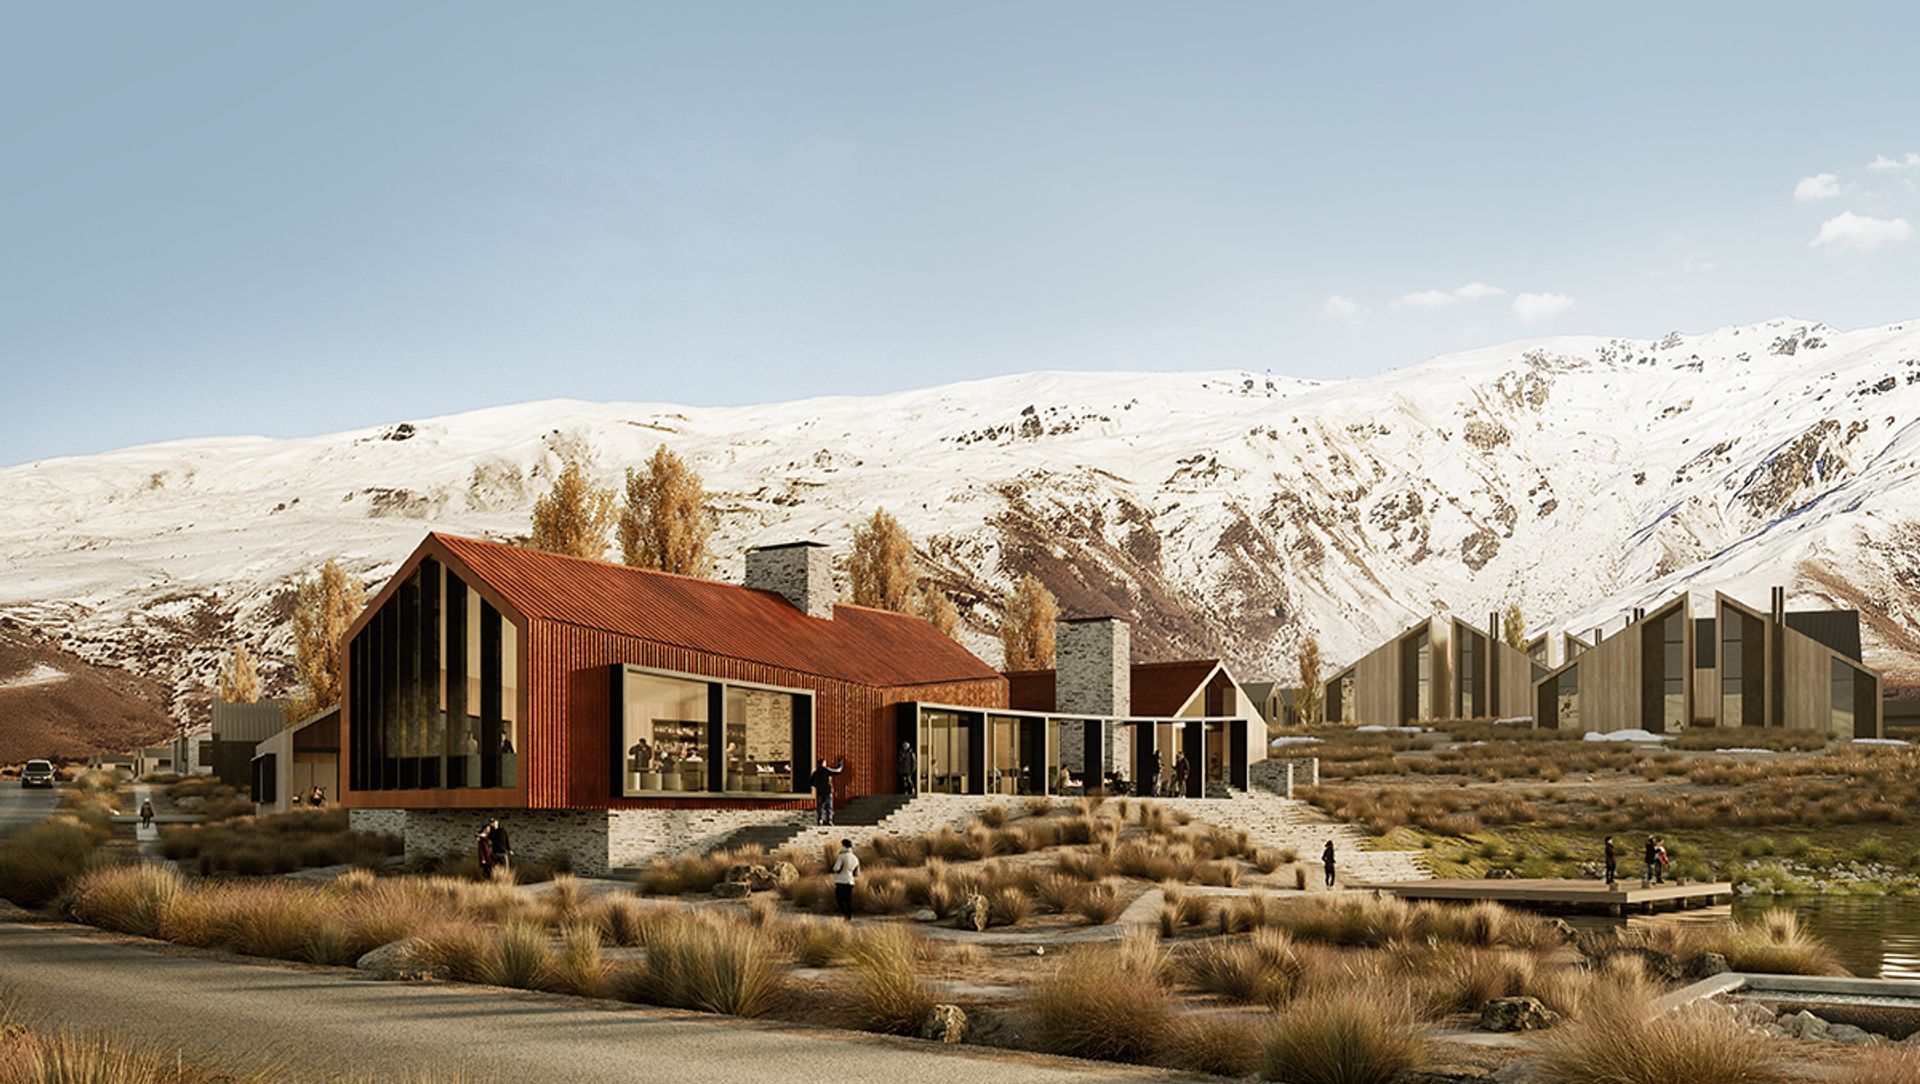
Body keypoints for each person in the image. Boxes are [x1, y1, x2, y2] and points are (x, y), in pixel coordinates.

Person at [810, 757, 845, 825]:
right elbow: (837, 771)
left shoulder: (815, 773)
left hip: (820, 792)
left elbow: (810, 782)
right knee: (829, 806)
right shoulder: (826, 770)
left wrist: (817, 786)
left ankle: (820, 819)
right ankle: (829, 820)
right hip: (827, 791)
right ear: (824, 763)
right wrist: (840, 765)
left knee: (820, 807)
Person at [831, 838, 860, 921]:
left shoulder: (842, 856)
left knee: (839, 899)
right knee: (848, 899)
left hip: (841, 881)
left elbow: (836, 868)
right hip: (850, 881)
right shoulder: (855, 858)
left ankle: (846, 914)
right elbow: (857, 873)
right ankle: (849, 915)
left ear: (843, 846)